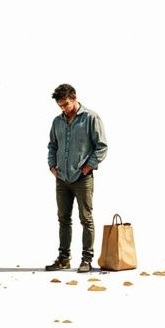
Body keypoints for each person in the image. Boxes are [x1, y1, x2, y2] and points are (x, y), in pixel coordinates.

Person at [45, 83, 108, 273]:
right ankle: (63, 258)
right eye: (60, 106)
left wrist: (89, 166)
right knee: (63, 218)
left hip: (82, 178)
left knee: (86, 218)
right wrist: (52, 166)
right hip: (62, 178)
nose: (63, 108)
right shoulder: (57, 122)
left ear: (74, 98)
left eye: (65, 104)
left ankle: (87, 259)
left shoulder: (91, 118)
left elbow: (102, 146)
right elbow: (52, 146)